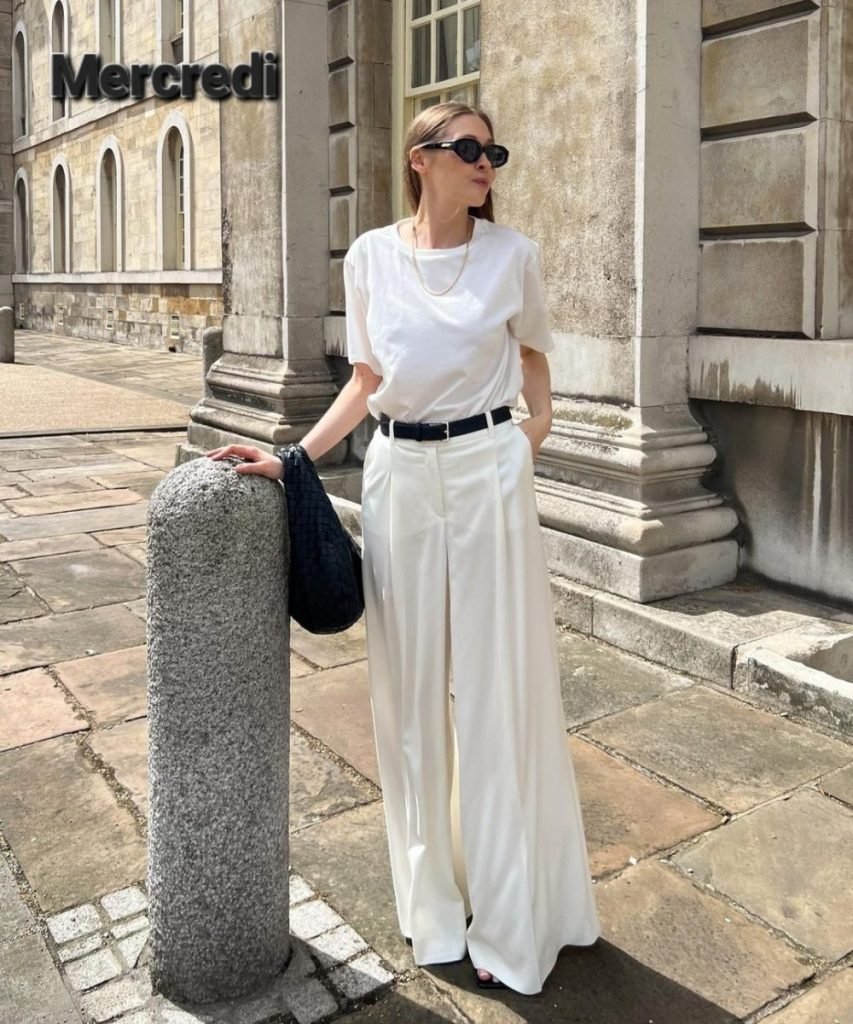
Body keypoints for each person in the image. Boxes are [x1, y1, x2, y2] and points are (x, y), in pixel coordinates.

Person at [206, 101, 601, 995]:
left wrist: (531, 434)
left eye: (493, 151)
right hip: (399, 475)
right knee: (410, 698)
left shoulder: (513, 255)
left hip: (489, 468)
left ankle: (512, 921)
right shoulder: (371, 258)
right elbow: (367, 379)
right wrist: (293, 459)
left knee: (498, 691)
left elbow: (533, 356)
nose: (485, 163)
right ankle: (435, 908)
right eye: (467, 148)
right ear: (420, 159)